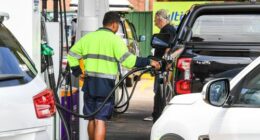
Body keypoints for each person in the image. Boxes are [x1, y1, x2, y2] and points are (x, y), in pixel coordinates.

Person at [67, 11, 160, 140]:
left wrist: (78, 72)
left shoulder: (88, 38)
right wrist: (149, 61)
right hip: (105, 86)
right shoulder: (115, 41)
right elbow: (129, 61)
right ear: (114, 24)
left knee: (91, 119)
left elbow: (71, 54)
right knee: (100, 120)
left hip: (89, 84)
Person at [144, 9, 177, 122]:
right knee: (159, 91)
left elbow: (169, 48)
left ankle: (158, 116)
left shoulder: (168, 30)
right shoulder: (168, 29)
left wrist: (164, 63)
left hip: (163, 67)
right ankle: (157, 114)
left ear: (160, 19)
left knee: (160, 92)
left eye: (155, 20)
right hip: (161, 66)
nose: (154, 22)